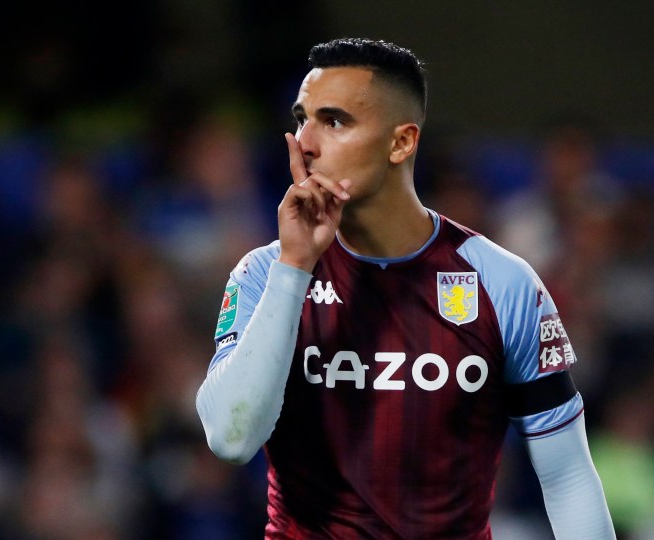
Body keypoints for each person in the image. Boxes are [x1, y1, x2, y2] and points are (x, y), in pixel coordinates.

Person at [196, 38, 615, 539]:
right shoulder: (265, 273)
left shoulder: (503, 283)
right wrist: (295, 267)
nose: (305, 141)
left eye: (333, 121)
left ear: (401, 142)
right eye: (301, 117)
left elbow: (567, 476)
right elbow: (231, 439)